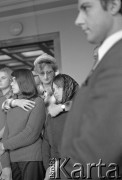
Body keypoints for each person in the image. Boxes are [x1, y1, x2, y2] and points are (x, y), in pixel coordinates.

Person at [60, 0, 122, 179]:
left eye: (86, 8)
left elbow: (96, 155)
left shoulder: (117, 60)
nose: (78, 20)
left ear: (113, 5)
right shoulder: (109, 58)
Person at [0, 69, 46, 180]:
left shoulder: (37, 102)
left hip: (31, 158)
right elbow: (6, 133)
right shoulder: (12, 103)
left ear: (23, 82)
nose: (11, 83)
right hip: (12, 159)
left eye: (14, 81)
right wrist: (5, 165)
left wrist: (4, 146)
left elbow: (30, 134)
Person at [42, 74, 79, 180]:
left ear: (68, 87)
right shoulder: (52, 113)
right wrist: (49, 168)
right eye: (53, 89)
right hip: (54, 167)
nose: (55, 92)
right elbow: (47, 143)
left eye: (59, 87)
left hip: (75, 167)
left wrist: (62, 107)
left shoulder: (79, 109)